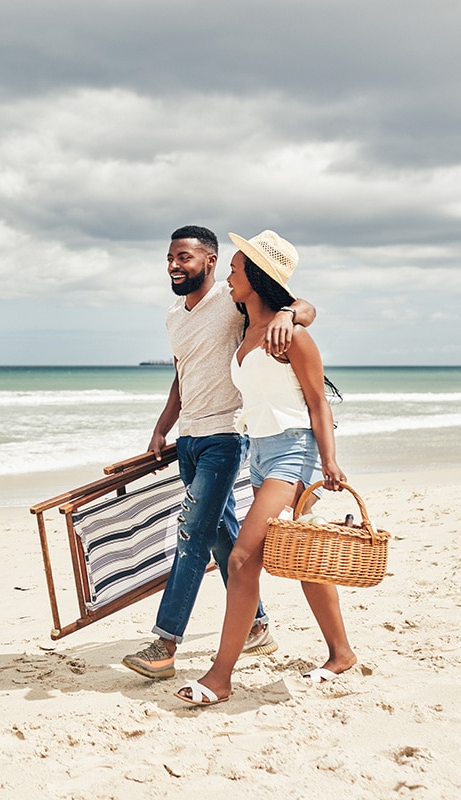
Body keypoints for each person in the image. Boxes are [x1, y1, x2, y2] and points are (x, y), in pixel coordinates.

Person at [122, 225, 315, 680]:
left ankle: (166, 642)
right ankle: (258, 627)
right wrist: (161, 430)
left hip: (227, 437)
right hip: (189, 438)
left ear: (209, 261)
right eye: (170, 257)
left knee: (191, 532)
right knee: (217, 532)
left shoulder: (231, 301)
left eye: (184, 257)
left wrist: (291, 315)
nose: (174, 265)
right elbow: (181, 376)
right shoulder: (173, 316)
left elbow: (304, 304)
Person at [175, 230, 355, 706]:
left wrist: (330, 462)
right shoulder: (245, 326)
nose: (229, 277)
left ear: (256, 278)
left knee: (241, 559)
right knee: (301, 555)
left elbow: (319, 404)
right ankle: (341, 654)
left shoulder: (291, 334)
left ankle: (220, 676)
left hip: (293, 451)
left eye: (235, 270)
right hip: (259, 453)